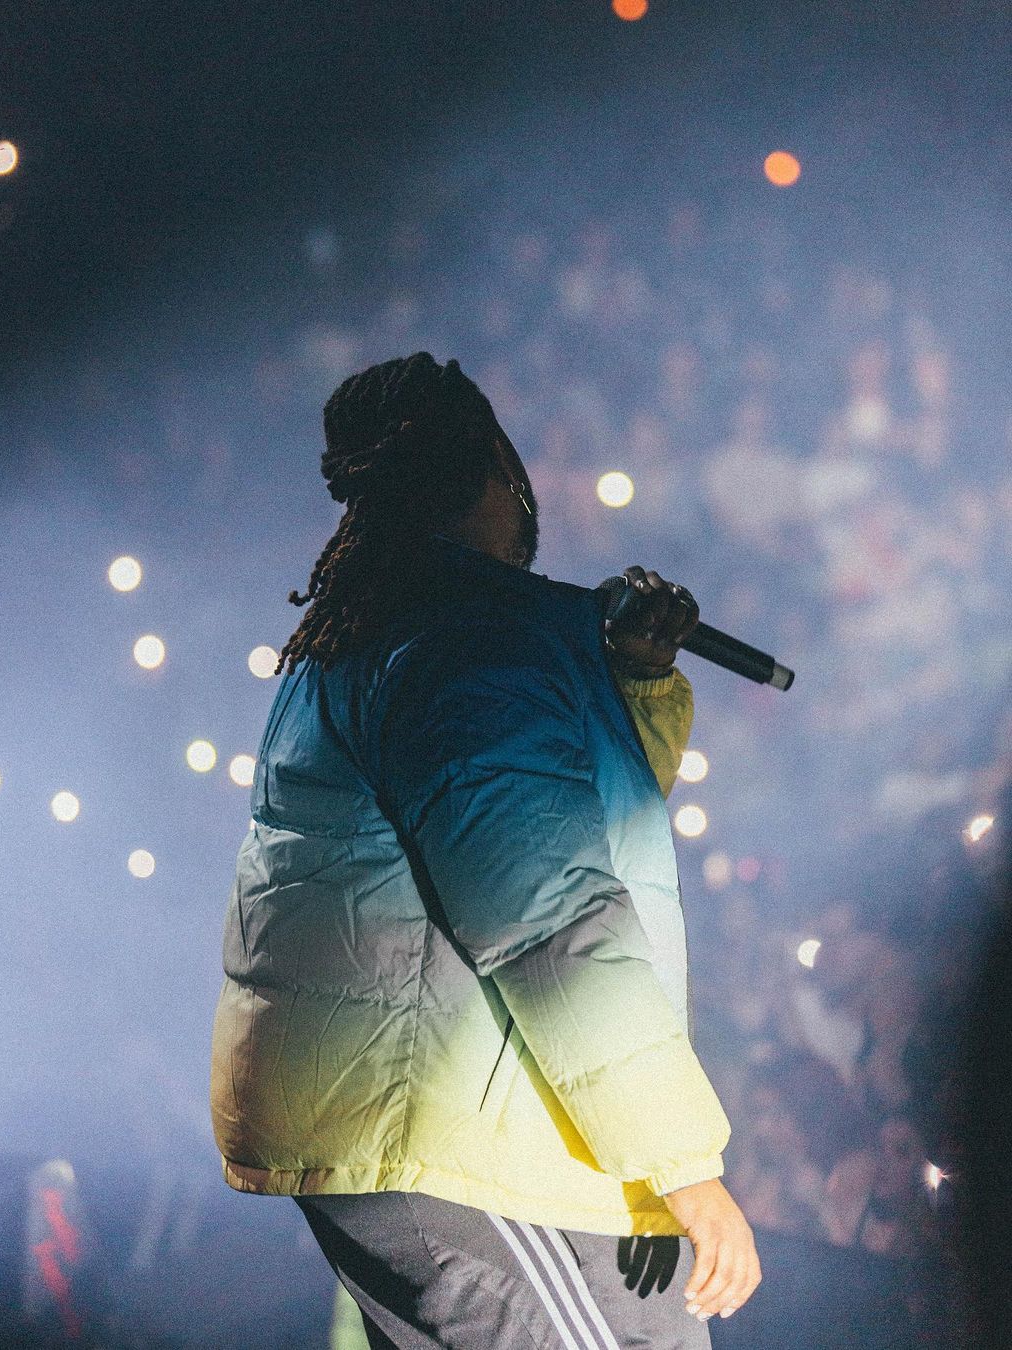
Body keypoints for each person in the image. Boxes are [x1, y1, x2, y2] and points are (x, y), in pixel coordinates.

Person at [210, 353, 761, 1347]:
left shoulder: (372, 627)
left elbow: (572, 823)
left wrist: (633, 681)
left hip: (395, 1121)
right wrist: (682, 1162)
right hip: (474, 1135)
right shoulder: (471, 641)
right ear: (493, 471)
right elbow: (549, 912)